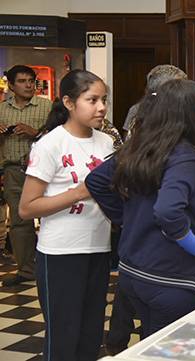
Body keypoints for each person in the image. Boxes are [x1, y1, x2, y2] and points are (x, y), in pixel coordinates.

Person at [86, 79, 195, 337]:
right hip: (172, 277)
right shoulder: (186, 154)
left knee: (151, 345)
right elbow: (168, 210)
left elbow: (96, 180)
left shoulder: (141, 146)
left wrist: (127, 219)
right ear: (192, 114)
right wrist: (192, 242)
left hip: (135, 274)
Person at [18, 69, 114, 361]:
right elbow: (26, 207)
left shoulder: (107, 143)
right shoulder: (50, 144)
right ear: (70, 103)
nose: (101, 107)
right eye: (92, 99)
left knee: (91, 334)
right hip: (60, 252)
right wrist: (77, 193)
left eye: (104, 100)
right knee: (63, 336)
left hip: (99, 248)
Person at [0, 65, 51, 286]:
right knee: (20, 222)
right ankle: (26, 269)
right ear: (11, 85)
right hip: (14, 170)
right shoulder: (2, 110)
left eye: (31, 80)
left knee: (52, 217)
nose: (29, 85)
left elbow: (60, 134)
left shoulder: (47, 106)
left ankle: (51, 266)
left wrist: (36, 133)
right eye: (22, 81)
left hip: (45, 170)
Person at [122, 65, 188, 139]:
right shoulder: (137, 111)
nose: (184, 93)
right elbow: (128, 142)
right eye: (178, 88)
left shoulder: (186, 110)